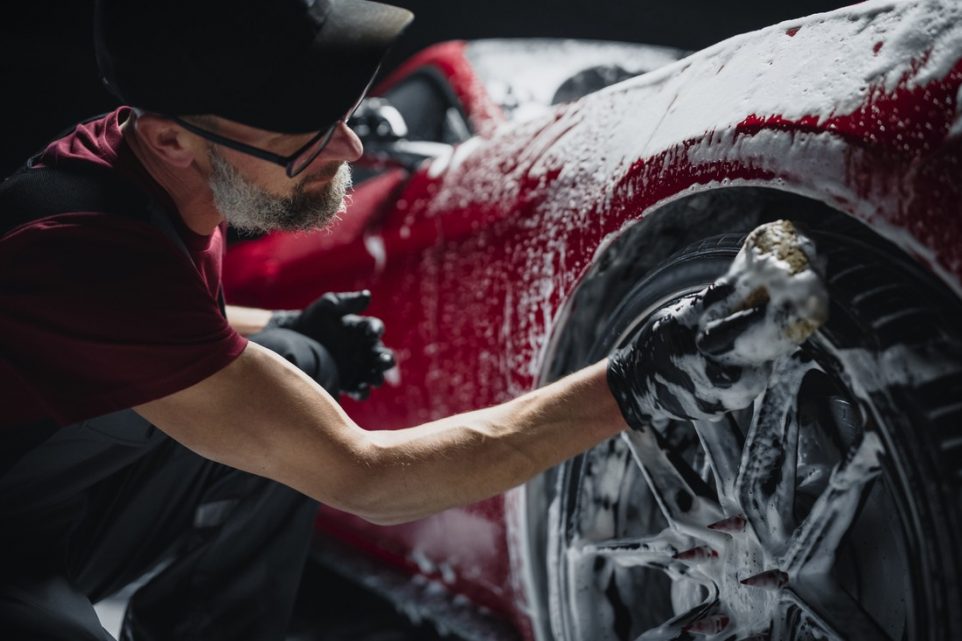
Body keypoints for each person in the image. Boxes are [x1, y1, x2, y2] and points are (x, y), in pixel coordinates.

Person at [0, 0, 819, 639]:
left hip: (47, 510)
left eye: (338, 112)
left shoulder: (148, 164)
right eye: (306, 137)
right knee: (297, 415)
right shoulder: (86, 251)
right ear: (172, 139)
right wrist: (640, 379)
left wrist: (282, 323)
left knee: (295, 359)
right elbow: (368, 479)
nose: (351, 150)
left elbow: (156, 328)